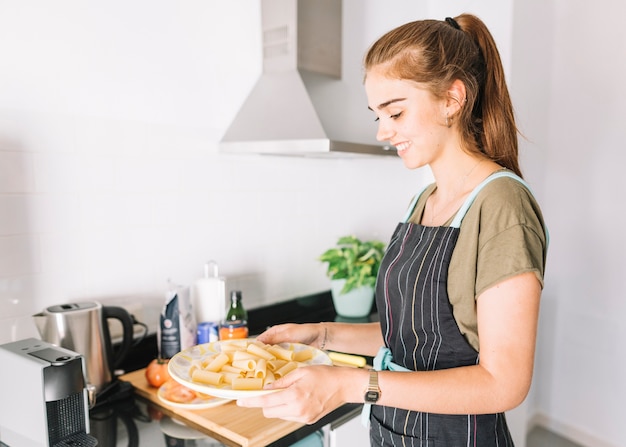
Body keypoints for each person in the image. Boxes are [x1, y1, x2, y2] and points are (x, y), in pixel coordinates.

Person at [237, 13, 548, 446]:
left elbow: (503, 383)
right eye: (377, 116)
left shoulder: (501, 207)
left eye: (396, 112)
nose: (384, 132)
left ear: (452, 99)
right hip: (391, 433)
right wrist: (321, 334)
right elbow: (415, 337)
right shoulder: (425, 202)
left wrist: (349, 383)